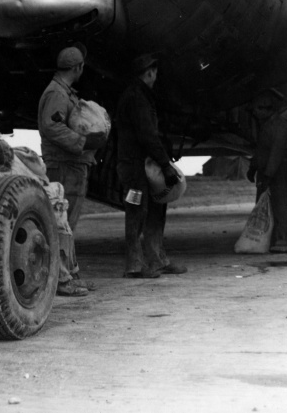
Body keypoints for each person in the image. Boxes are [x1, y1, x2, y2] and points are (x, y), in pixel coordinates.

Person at [38, 45, 105, 297]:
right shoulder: (57, 94)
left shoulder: (64, 92)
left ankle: (70, 273)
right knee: (61, 224)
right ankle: (62, 279)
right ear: (77, 68)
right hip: (64, 167)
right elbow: (51, 127)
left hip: (72, 165)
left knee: (68, 224)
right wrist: (83, 142)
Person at [115, 53, 187, 278]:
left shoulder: (141, 96)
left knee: (155, 209)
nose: (156, 76)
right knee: (135, 210)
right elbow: (147, 135)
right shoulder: (137, 97)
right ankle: (134, 266)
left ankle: (157, 260)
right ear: (149, 73)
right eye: (155, 72)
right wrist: (166, 166)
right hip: (134, 169)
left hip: (143, 167)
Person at [247, 92, 287, 253]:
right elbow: (260, 151)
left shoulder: (280, 126)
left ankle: (282, 241)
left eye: (257, 109)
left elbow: (276, 153)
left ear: (267, 109)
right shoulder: (265, 125)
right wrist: (253, 168)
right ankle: (266, 240)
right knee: (262, 207)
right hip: (265, 171)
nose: (254, 113)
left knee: (279, 206)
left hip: (277, 172)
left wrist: (268, 175)